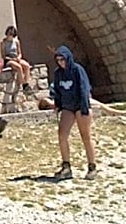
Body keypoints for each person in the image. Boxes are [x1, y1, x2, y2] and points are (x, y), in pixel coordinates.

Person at [51, 45, 98, 180]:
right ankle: (66, 167)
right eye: (58, 60)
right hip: (67, 106)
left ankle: (92, 166)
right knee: (62, 134)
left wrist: (84, 108)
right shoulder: (58, 73)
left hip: (80, 105)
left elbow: (84, 88)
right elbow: (57, 90)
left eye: (63, 59)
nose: (61, 62)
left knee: (86, 136)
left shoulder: (77, 70)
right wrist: (57, 104)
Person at [0, 26, 34, 96]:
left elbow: (20, 53)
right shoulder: (3, 43)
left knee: (26, 65)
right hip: (9, 60)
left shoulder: (16, 42)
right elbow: (3, 56)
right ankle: (23, 84)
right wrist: (12, 59)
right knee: (18, 67)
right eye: (9, 34)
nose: (10, 36)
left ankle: (26, 82)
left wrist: (18, 57)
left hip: (16, 58)